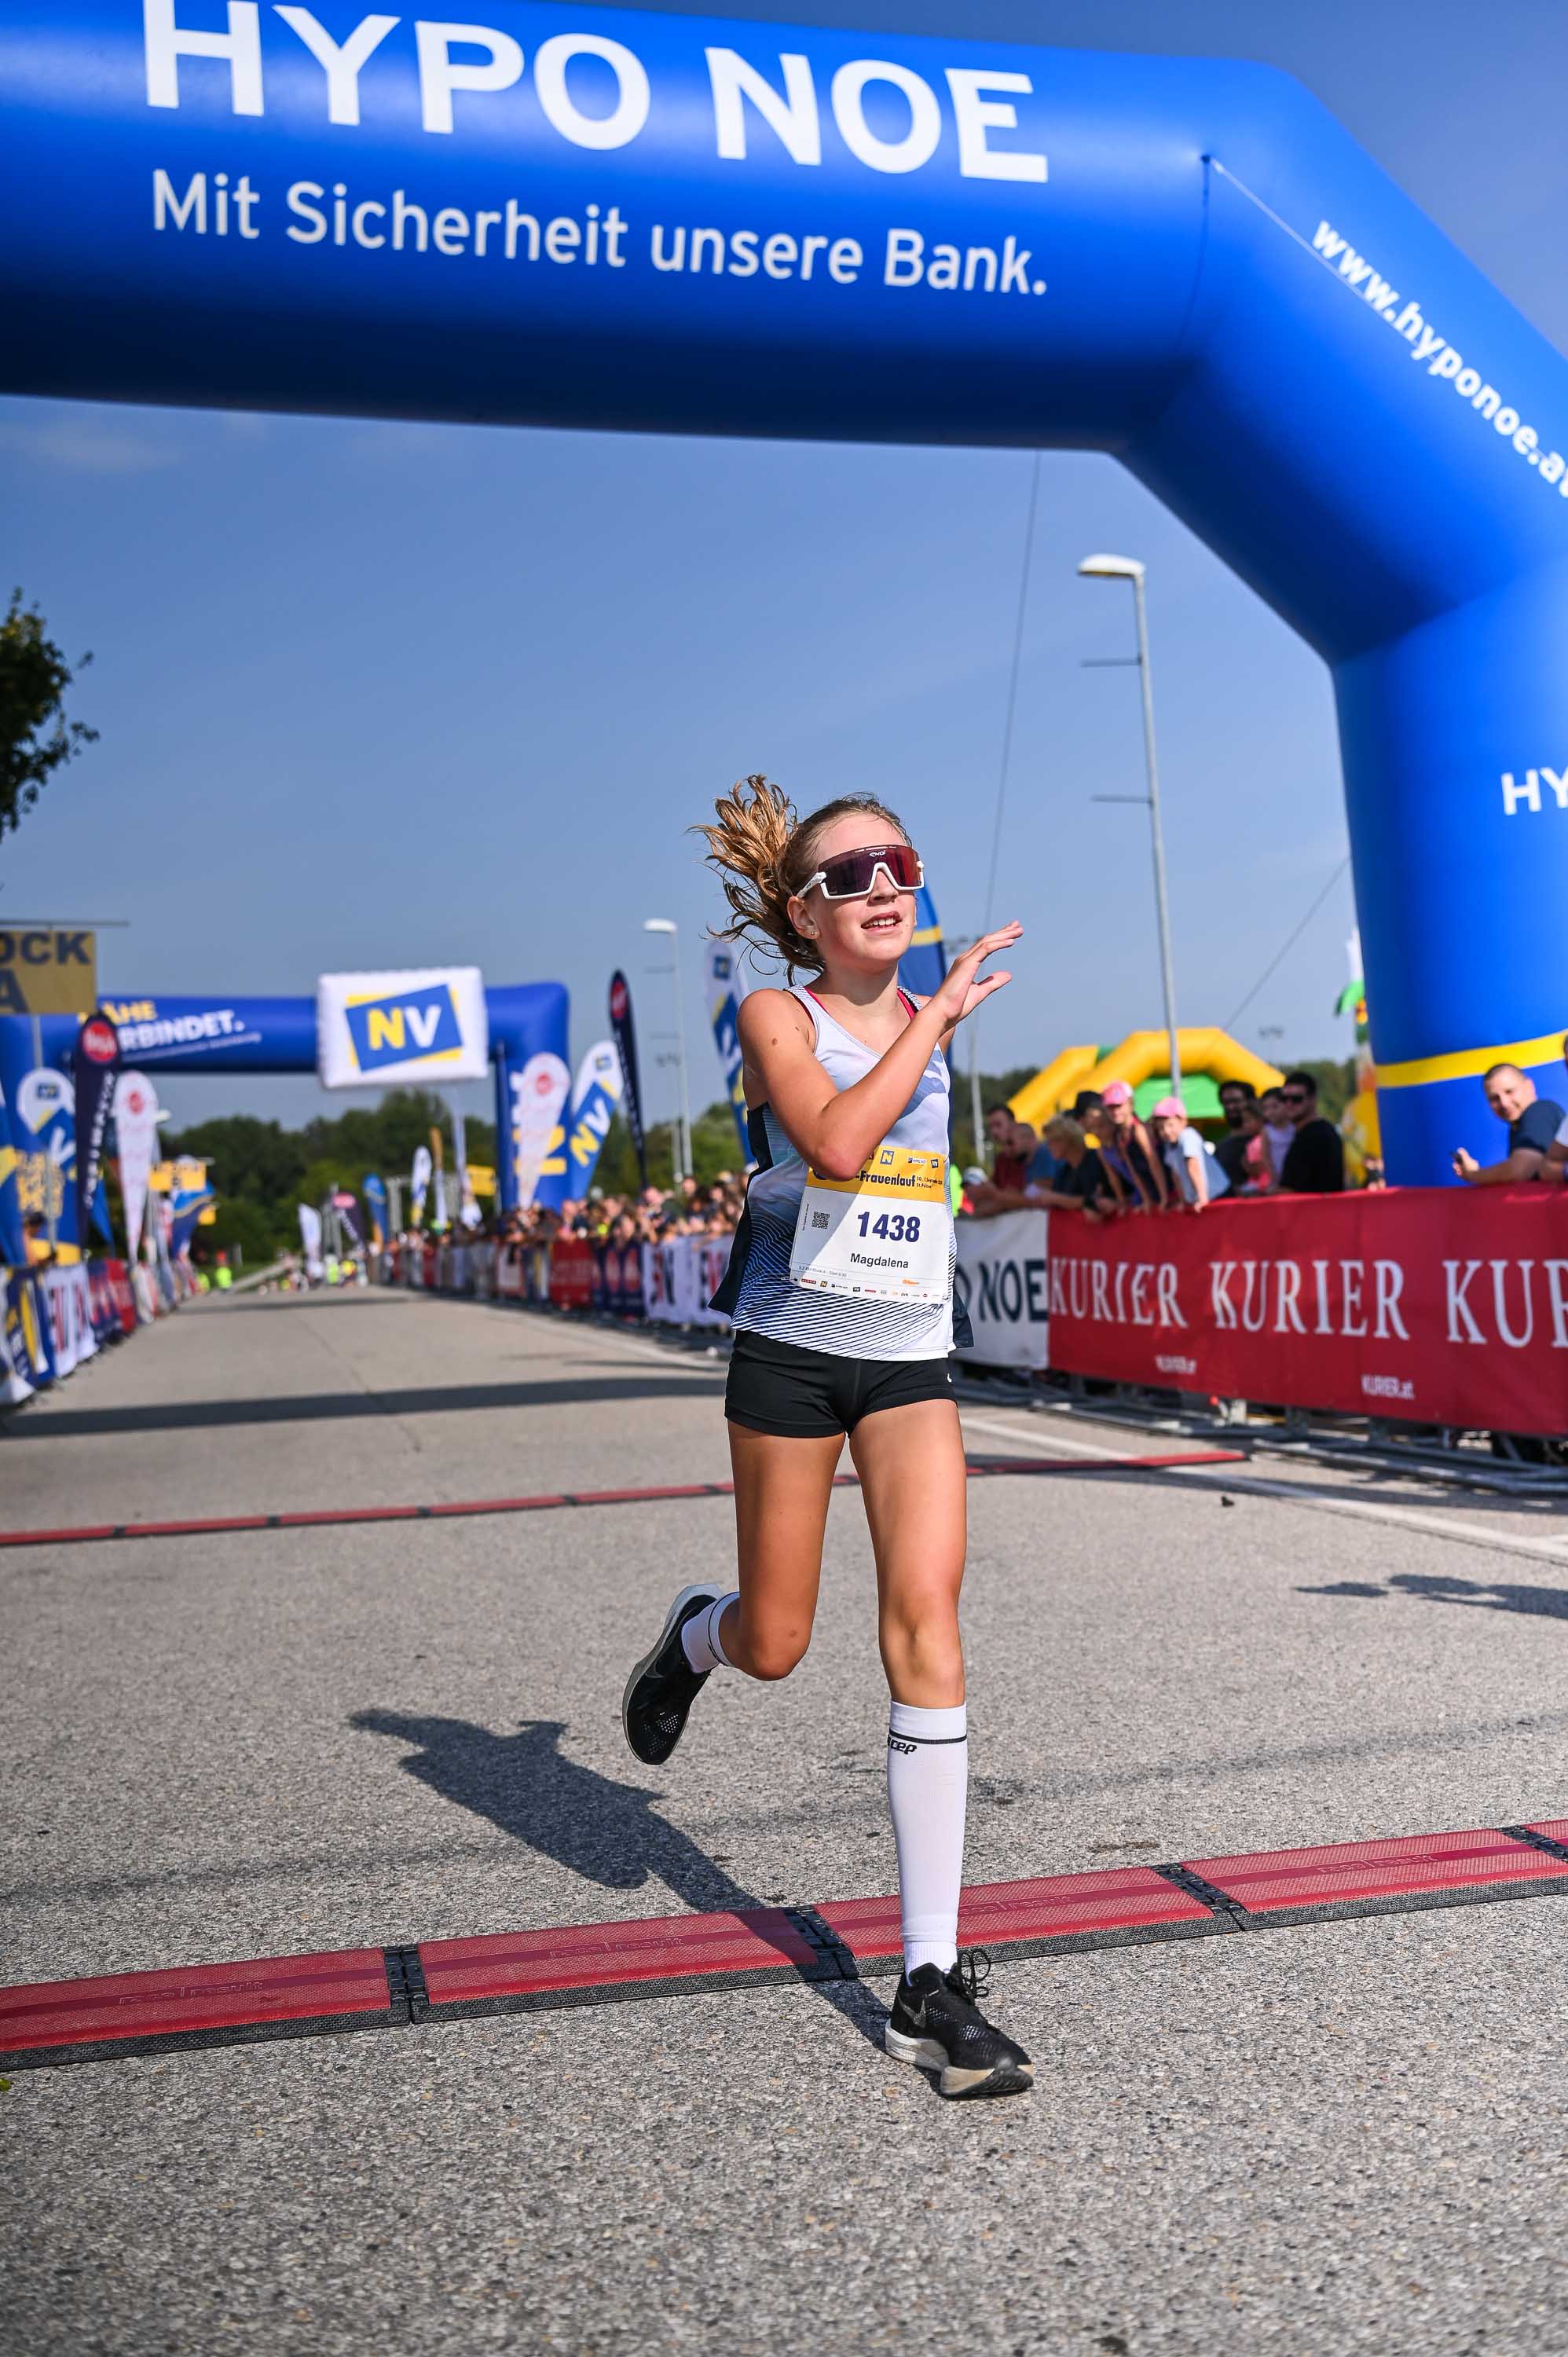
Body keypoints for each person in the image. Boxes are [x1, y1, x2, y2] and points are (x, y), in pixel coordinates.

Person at [621, 775, 1033, 2101]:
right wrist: (939, 1022)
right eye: (850, 875)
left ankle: (928, 1977)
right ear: (802, 915)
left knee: (927, 1620)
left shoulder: (925, 1016)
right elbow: (840, 1145)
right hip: (791, 1357)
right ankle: (699, 1636)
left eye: (898, 862)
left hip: (909, 1359)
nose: (884, 887)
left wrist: (935, 1021)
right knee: (780, 1641)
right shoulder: (775, 1015)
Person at [1453, 1061, 1563, 1185]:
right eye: (1494, 1098)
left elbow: (1521, 1169)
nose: (1504, 1103)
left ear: (1529, 1087)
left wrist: (1473, 1174)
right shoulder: (1517, 1128)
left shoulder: (1540, 1110)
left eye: (1510, 1091)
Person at [1097, 1080, 1167, 1208]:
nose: (1115, 1111)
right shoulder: (1120, 1136)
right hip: (1153, 1193)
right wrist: (1146, 1199)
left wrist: (1164, 1198)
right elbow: (1133, 1171)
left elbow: (1155, 1164)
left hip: (1168, 1190)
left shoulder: (1139, 1130)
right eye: (1110, 1107)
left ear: (1130, 1104)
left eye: (1119, 1106)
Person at [1150, 1097, 1229, 1208]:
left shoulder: (1188, 1136)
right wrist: (1183, 1200)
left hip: (1218, 1194)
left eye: (1170, 1125)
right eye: (1161, 1128)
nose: (1166, 1131)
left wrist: (1202, 1197)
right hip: (1201, 1198)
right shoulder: (1169, 1145)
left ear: (1183, 1121)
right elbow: (1175, 1175)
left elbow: (1193, 1166)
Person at [1277, 1072, 1346, 1193]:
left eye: (1296, 1099)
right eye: (1284, 1099)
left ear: (1313, 1099)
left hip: (1314, 1204)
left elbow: (1292, 1190)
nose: (1289, 1104)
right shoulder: (1320, 1131)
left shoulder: (1314, 1136)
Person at [1213, 1080, 1257, 1193]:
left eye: (1236, 1101)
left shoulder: (1264, 1141)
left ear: (1251, 1102)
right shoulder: (1221, 1146)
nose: (1231, 1107)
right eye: (1226, 1102)